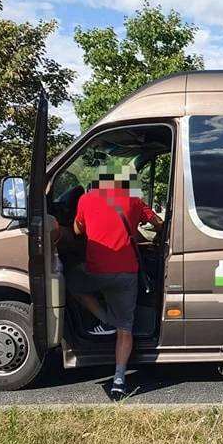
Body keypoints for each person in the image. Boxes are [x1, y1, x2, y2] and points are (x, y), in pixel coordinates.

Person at [67, 163, 163, 398]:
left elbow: (78, 231)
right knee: (125, 328)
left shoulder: (86, 200)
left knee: (70, 282)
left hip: (94, 273)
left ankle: (104, 319)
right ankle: (119, 380)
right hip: (126, 275)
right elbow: (158, 223)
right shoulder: (134, 201)